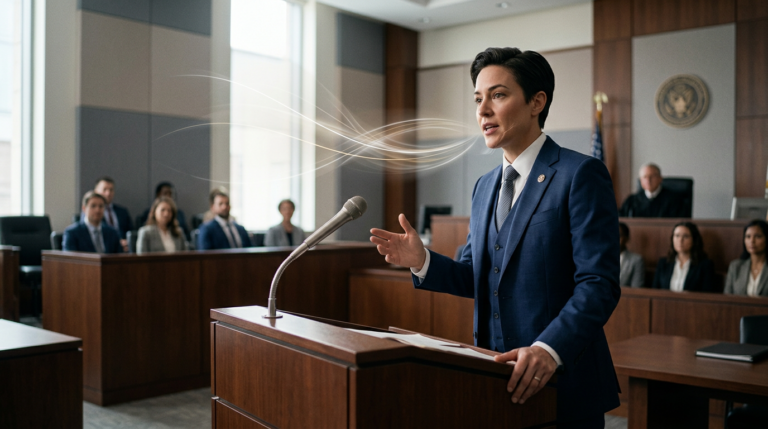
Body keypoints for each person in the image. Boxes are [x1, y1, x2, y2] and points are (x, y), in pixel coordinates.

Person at [370, 48, 620, 427]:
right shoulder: (484, 187)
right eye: (478, 98)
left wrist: (548, 349)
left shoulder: (580, 174)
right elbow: (478, 274)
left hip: (563, 383)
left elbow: (598, 284)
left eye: (498, 95)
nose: (483, 110)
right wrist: (422, 261)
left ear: (537, 102)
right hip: (494, 378)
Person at [652, 221, 715, 292]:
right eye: (677, 235)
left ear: (694, 240)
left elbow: (707, 294)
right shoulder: (663, 263)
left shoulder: (705, 265)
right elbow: (655, 291)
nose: (680, 240)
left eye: (685, 236)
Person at [618, 164, 686, 218]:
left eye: (652, 176)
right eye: (645, 177)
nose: (648, 180)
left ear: (660, 178)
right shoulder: (632, 200)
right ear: (641, 181)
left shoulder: (674, 199)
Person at [724, 220, 768, 297]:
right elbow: (727, 297)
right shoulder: (735, 266)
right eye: (748, 236)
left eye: (757, 236)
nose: (752, 241)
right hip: (737, 309)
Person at [94, 177, 133, 251]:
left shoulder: (122, 211)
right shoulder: (92, 212)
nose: (108, 193)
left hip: (125, 249)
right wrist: (117, 243)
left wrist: (128, 242)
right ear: (96, 192)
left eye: (111, 190)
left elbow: (131, 231)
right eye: (104, 190)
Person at [619, 222, 645, 287]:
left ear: (626, 238)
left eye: (619, 235)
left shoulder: (637, 260)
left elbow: (636, 289)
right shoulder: (603, 258)